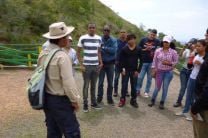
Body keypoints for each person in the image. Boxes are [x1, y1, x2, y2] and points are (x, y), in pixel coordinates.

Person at [38, 22, 81, 138]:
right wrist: (74, 100)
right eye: (67, 36)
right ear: (61, 39)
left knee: (53, 132)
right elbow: (68, 83)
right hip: (60, 101)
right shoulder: (62, 56)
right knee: (72, 132)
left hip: (46, 98)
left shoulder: (43, 53)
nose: (68, 38)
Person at [176, 39, 207, 121]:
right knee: (188, 95)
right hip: (191, 77)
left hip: (199, 80)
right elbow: (190, 65)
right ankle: (185, 111)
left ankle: (194, 113)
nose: (197, 47)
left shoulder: (206, 57)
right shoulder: (196, 54)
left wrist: (200, 64)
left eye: (199, 46)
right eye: (196, 46)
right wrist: (190, 61)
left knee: (195, 97)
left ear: (204, 47)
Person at [77, 23, 103, 112]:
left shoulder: (99, 38)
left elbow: (99, 52)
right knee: (86, 85)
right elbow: (78, 53)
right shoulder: (82, 38)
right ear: (88, 29)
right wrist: (81, 65)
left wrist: (101, 62)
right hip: (86, 66)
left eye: (93, 28)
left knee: (93, 85)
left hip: (96, 65)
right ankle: (85, 103)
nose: (92, 29)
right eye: (90, 28)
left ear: (95, 29)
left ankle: (93, 102)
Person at [148, 35, 178, 109]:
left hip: (168, 72)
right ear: (162, 42)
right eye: (164, 42)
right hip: (159, 71)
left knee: (165, 88)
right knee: (157, 87)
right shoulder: (158, 50)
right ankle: (152, 100)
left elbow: (176, 61)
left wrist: (170, 63)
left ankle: (162, 102)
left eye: (167, 42)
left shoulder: (173, 52)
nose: (166, 43)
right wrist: (153, 70)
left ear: (170, 43)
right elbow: (154, 61)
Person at [118, 33, 142, 108]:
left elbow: (141, 61)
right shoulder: (124, 49)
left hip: (134, 71)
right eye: (129, 40)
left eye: (132, 39)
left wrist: (138, 71)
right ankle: (122, 100)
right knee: (124, 86)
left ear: (135, 40)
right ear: (127, 41)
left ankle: (133, 100)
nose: (131, 41)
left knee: (134, 87)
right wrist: (121, 70)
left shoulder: (139, 49)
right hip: (126, 71)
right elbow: (120, 60)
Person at [136, 29, 160, 97]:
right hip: (143, 61)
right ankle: (137, 90)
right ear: (149, 33)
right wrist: (145, 49)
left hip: (152, 63)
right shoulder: (143, 39)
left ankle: (146, 91)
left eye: (154, 35)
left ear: (156, 35)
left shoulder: (157, 41)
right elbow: (138, 48)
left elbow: (160, 49)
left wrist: (155, 51)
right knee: (140, 77)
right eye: (151, 34)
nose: (152, 36)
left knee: (149, 78)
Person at [191, 40, 208, 138]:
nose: (205, 38)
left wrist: (195, 108)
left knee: (201, 133)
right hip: (202, 100)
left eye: (206, 36)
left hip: (204, 105)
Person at [173, 38, 197, 107]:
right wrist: (184, 47)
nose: (190, 44)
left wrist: (193, 50)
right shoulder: (186, 50)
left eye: (192, 43)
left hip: (191, 72)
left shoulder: (197, 52)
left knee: (190, 89)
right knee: (183, 87)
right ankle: (178, 101)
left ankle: (190, 105)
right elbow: (180, 57)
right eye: (190, 43)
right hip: (184, 70)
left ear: (195, 44)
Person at [97, 25, 117, 105]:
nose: (106, 31)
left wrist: (104, 48)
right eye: (105, 30)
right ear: (103, 31)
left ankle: (109, 98)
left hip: (110, 64)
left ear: (110, 31)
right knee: (100, 82)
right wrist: (104, 49)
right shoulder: (99, 39)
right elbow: (98, 50)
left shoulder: (113, 40)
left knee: (110, 83)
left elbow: (114, 51)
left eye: (107, 30)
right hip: (101, 64)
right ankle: (99, 98)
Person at [113, 29, 128, 97]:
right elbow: (114, 51)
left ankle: (125, 91)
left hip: (125, 64)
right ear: (119, 34)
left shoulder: (128, 42)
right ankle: (115, 91)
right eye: (121, 32)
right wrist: (115, 59)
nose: (122, 33)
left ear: (126, 34)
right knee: (116, 78)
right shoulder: (116, 41)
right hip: (117, 63)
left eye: (124, 32)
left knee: (125, 78)